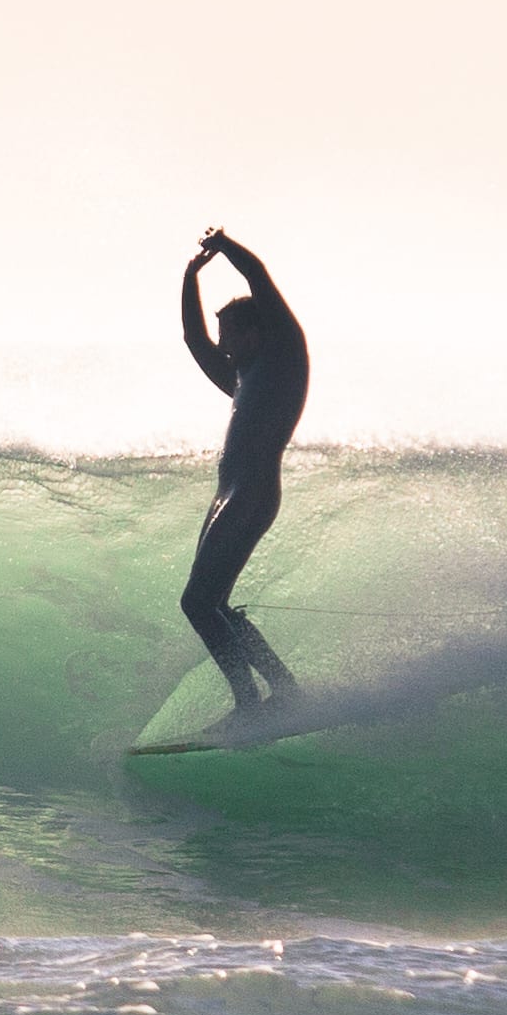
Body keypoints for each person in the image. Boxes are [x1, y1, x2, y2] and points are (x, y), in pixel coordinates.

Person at [178, 226, 308, 718]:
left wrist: (224, 246)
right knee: (212, 605)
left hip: (250, 492)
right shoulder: (241, 377)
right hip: (230, 494)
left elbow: (257, 275)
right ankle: (283, 694)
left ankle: (251, 701)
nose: (222, 345)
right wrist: (191, 276)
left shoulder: (283, 357)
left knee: (198, 604)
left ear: (255, 331)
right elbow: (193, 337)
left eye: (228, 335)